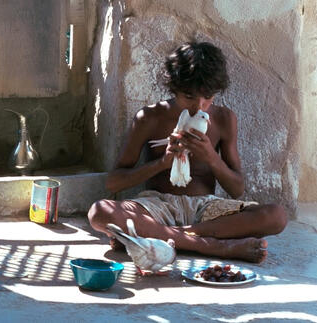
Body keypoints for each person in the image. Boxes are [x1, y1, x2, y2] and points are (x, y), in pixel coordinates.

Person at [87, 41, 287, 263]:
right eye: (189, 97)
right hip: (157, 207)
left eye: (208, 97)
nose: (198, 107)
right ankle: (212, 247)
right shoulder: (150, 117)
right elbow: (114, 183)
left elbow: (236, 189)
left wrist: (211, 157)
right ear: (173, 89)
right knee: (99, 212)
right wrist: (163, 162)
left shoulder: (224, 119)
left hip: (206, 209)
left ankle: (159, 237)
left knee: (276, 216)